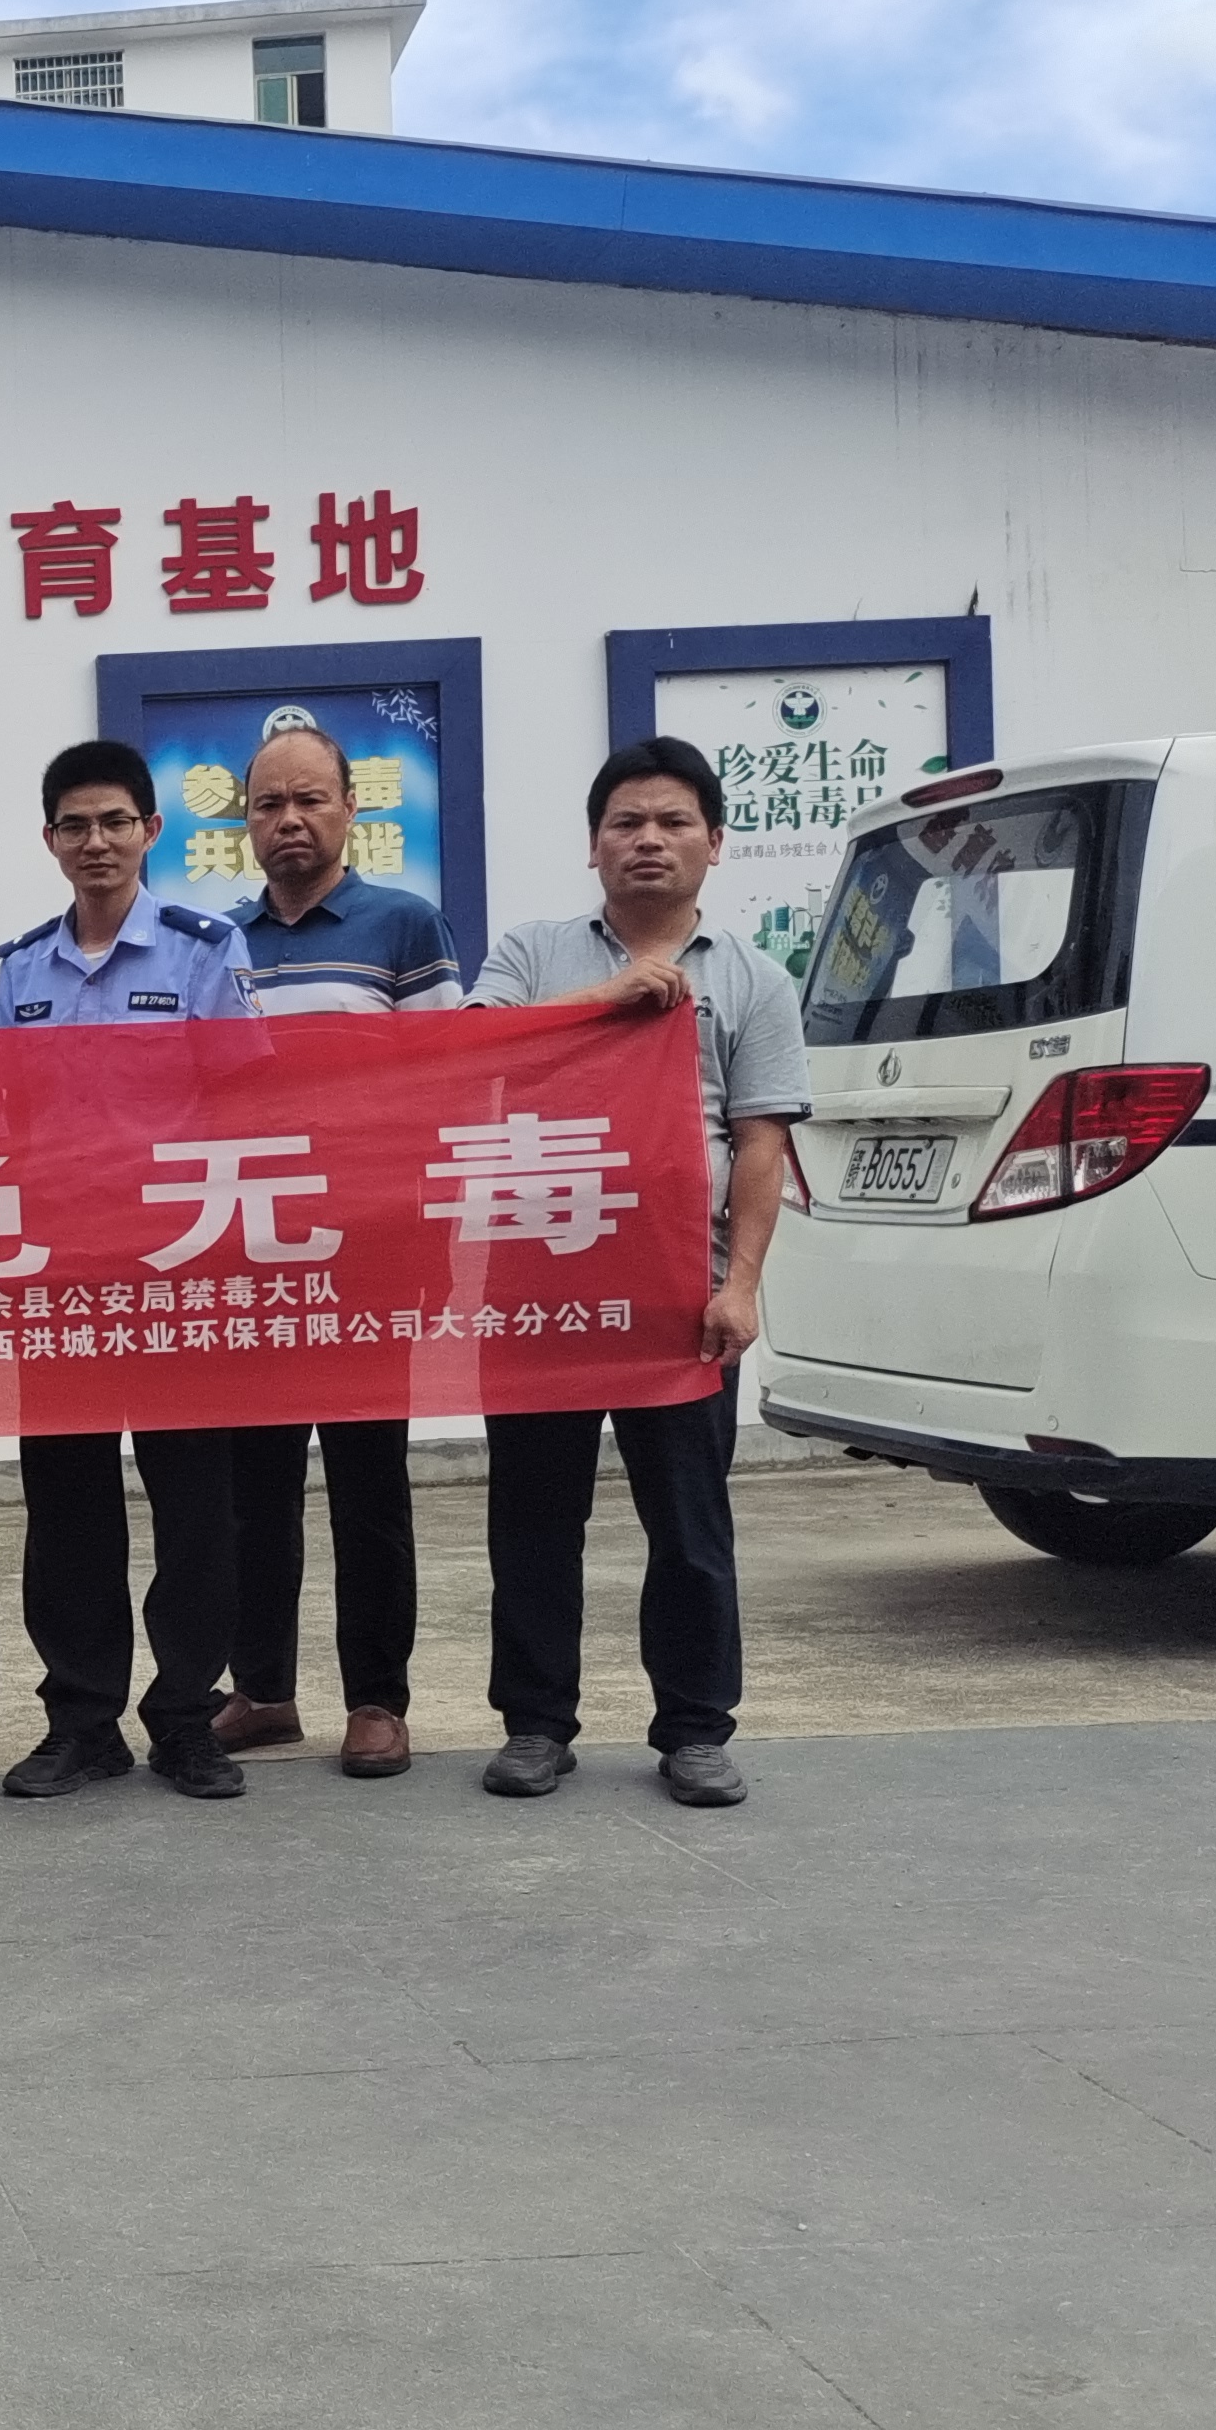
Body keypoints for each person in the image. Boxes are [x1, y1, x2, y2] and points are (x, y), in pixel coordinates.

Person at [465, 735, 807, 1809]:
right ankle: (535, 1725)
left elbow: (760, 1144)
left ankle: (695, 1730)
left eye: (671, 822)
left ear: (714, 841)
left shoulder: (753, 981)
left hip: (678, 1296)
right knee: (532, 1518)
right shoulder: (531, 954)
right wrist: (602, 1001)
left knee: (689, 1524)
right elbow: (470, 1056)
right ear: (593, 845)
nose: (647, 840)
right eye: (626, 823)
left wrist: (740, 1285)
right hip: (542, 1288)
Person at [0, 738, 261, 1802]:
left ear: (151, 830)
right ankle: (82, 1720)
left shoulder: (203, 949)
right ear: (49, 840)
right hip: (60, 1273)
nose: (94, 842)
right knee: (66, 1505)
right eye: (74, 825)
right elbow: (1, 1116)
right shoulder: (20, 969)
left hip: (176, 1270)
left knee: (196, 1506)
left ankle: (186, 1718)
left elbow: (244, 1105)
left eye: (113, 822)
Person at [211, 723, 465, 1783]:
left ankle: (377, 1700)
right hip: (251, 1251)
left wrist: (431, 1245)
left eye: (310, 800)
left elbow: (443, 1089)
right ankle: (265, 1690)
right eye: (268, 804)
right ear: (244, 822)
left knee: (368, 1488)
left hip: (367, 1253)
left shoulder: (404, 926)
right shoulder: (217, 942)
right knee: (254, 1491)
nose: (289, 821)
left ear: (351, 810)